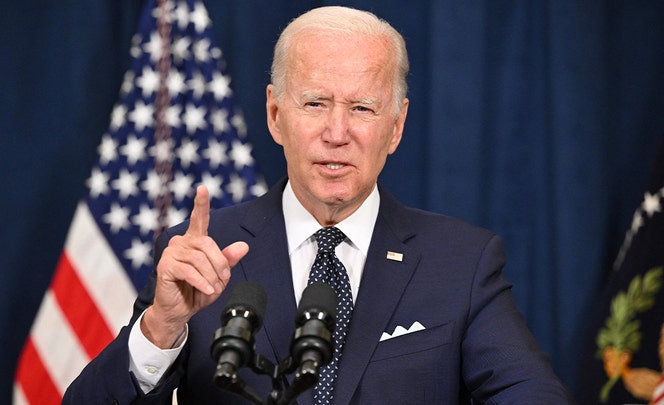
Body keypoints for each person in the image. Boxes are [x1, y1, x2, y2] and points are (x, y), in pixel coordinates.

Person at [63, 6, 572, 404]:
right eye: (315, 103)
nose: (337, 134)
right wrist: (161, 327)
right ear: (275, 114)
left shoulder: (461, 261)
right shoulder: (201, 257)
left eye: (362, 108)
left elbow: (533, 395)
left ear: (395, 127)